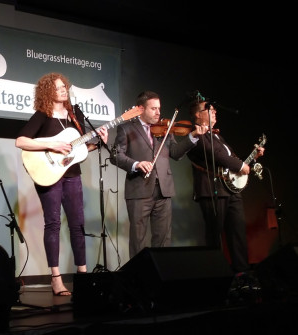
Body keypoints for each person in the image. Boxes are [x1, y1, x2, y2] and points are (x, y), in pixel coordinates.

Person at [15, 72, 108, 296]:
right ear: (48, 92)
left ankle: (82, 276)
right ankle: (56, 279)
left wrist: (99, 142)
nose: (63, 90)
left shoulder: (76, 114)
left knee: (78, 225)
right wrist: (54, 145)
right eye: (58, 88)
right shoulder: (43, 115)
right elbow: (21, 141)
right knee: (53, 224)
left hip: (72, 174)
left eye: (64, 86)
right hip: (49, 174)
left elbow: (80, 148)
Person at [110, 90, 207, 259]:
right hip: (139, 190)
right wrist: (136, 164)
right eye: (153, 109)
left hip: (164, 190)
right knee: (138, 239)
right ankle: (138, 279)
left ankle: (160, 277)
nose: (158, 112)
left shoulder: (165, 130)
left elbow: (176, 153)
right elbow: (116, 156)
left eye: (159, 108)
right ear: (141, 109)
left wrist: (193, 136)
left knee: (163, 239)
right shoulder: (126, 129)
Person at [187, 99, 265, 274]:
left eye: (215, 110)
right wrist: (239, 166)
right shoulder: (196, 135)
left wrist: (252, 159)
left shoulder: (217, 136)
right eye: (210, 110)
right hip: (211, 190)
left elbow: (233, 161)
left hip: (229, 189)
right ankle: (216, 274)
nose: (215, 112)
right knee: (215, 237)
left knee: (238, 233)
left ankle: (242, 274)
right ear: (198, 115)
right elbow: (216, 156)